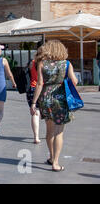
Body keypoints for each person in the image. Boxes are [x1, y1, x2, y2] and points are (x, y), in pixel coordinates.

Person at [30, 40, 78, 172]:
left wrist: (34, 103)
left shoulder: (41, 64)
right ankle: (55, 163)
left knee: (49, 130)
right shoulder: (67, 64)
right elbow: (74, 81)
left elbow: (39, 84)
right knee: (59, 132)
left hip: (45, 98)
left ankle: (51, 157)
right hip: (60, 99)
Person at [26, 47, 43, 144]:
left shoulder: (31, 63)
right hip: (43, 88)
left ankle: (36, 137)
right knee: (45, 112)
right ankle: (49, 133)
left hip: (32, 88)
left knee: (34, 113)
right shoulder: (46, 64)